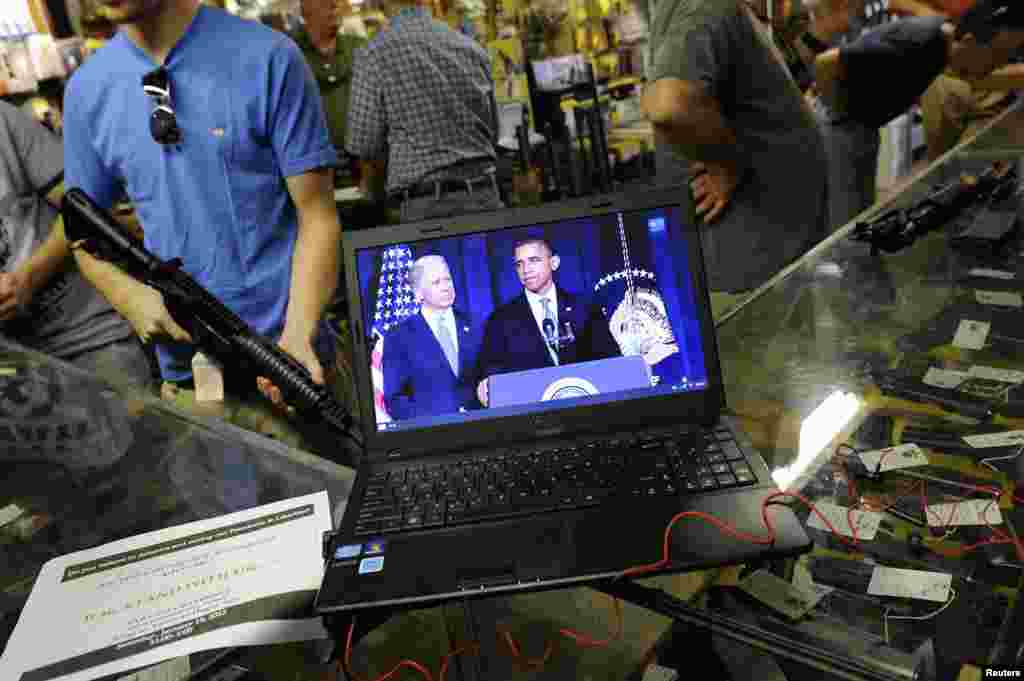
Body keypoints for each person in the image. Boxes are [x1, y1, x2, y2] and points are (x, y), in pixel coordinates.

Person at [63, 0, 352, 450]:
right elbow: (82, 236)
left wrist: (298, 334)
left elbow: (317, 215)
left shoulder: (268, 57)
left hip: (290, 371)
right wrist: (135, 301)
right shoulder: (87, 89)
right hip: (191, 388)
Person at [638, 0, 829, 320]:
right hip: (749, 271)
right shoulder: (705, 6)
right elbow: (669, 104)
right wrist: (727, 164)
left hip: (767, 261)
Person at [0, 101, 152, 391]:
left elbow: (86, 208)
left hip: (88, 340)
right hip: (12, 376)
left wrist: (27, 280)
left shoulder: (3, 122)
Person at [346, 0, 503, 223]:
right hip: (485, 197)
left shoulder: (374, 55)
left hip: (426, 208)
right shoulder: (471, 48)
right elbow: (494, 133)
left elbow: (365, 144)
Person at [813, 0, 1024, 137]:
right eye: (998, 56)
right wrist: (838, 121)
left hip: (862, 127)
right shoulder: (916, 44)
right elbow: (825, 63)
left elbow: (979, 77)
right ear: (969, 41)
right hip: (842, 127)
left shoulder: (944, 49)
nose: (1001, 63)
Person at [475, 239, 619, 407]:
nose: (526, 270)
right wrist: (487, 383)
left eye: (534, 260)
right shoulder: (500, 319)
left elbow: (611, 359)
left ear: (554, 262)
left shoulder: (585, 308)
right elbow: (491, 370)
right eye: (519, 264)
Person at [891, 0, 1023, 161]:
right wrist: (946, 26)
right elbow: (897, 3)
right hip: (964, 56)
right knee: (945, 84)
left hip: (1004, 75)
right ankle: (945, 171)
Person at [382, 255, 483, 420]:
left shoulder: (475, 325)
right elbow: (395, 399)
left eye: (447, 279)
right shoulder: (398, 337)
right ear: (418, 293)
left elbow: (490, 373)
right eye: (436, 282)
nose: (446, 287)